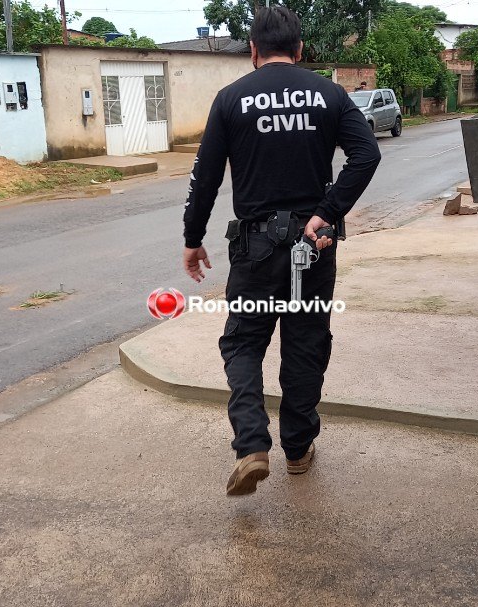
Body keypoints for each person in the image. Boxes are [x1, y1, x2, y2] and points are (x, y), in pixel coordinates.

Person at [181, 6, 381, 496]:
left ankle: (251, 444)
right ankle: (296, 450)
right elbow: (367, 154)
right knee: (305, 343)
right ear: (299, 51)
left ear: (252, 52)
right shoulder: (329, 94)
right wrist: (327, 212)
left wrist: (192, 239)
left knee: (244, 343)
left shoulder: (230, 99)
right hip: (314, 244)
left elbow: (204, 177)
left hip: (254, 250)